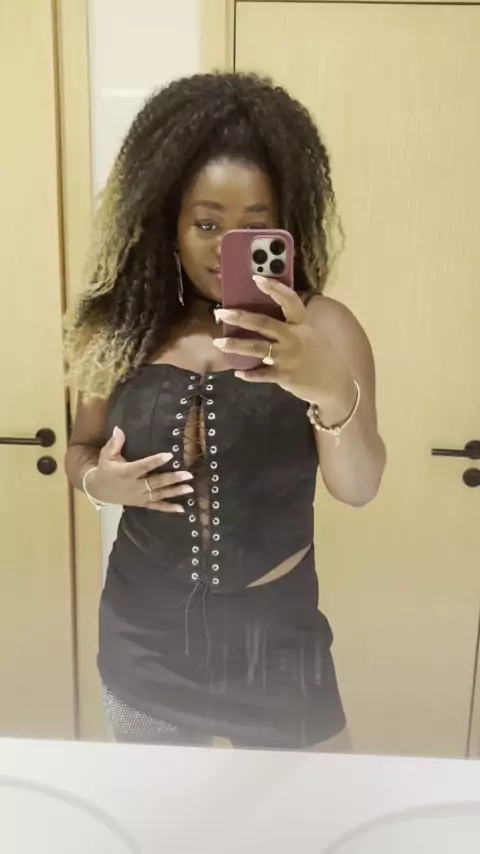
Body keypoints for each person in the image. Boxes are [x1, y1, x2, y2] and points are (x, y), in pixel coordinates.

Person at [64, 72, 386, 751]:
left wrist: (332, 391)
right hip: (143, 641)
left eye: (254, 227)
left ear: (285, 225)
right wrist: (100, 482)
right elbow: (80, 450)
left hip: (277, 647)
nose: (224, 246)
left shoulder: (324, 328)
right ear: (168, 222)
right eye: (206, 223)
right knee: (163, 812)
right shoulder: (124, 330)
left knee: (307, 811)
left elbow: (359, 488)